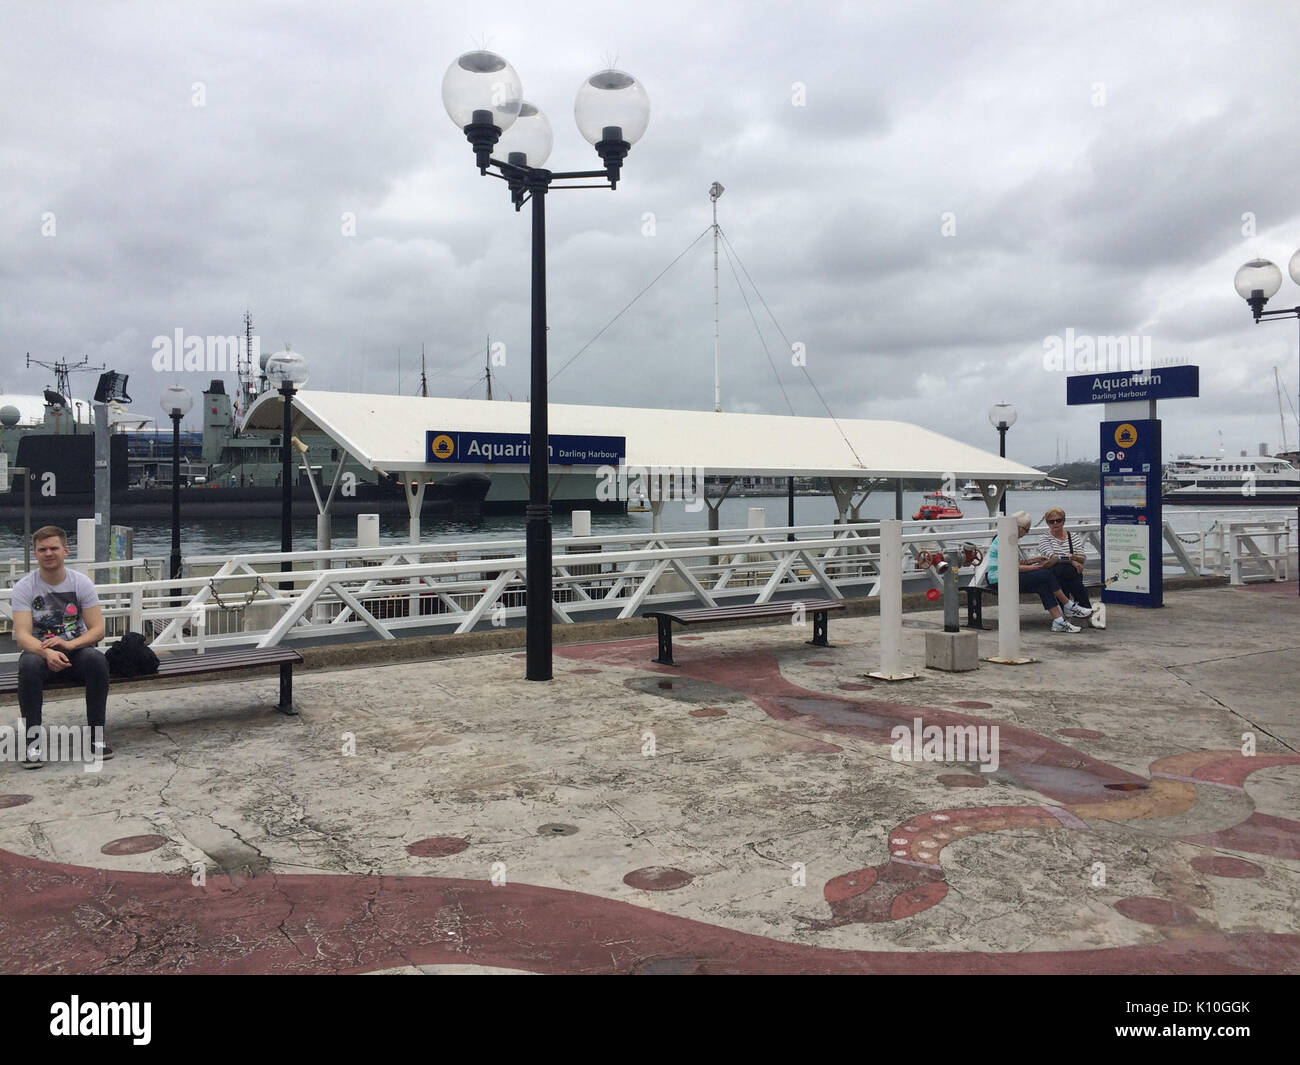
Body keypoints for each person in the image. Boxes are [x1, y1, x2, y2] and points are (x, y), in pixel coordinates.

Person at [11, 526, 111, 767]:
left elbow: (98, 629)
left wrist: (69, 644)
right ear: (35, 554)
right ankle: (32, 744)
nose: (48, 553)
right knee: (28, 666)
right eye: (42, 549)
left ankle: (96, 738)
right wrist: (46, 651)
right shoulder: (25, 587)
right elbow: (23, 636)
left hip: (74, 650)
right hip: (40, 652)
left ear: (65, 550)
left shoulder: (81, 583)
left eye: (54, 548)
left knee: (97, 661)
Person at [988, 511, 1092, 633]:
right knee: (1045, 574)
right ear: (1018, 527)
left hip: (1008, 576)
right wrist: (1039, 567)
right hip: (1000, 579)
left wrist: (1035, 560)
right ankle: (1068, 605)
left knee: (1043, 584)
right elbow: (1015, 568)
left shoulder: (1009, 538)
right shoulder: (1006, 540)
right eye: (1026, 530)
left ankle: (1058, 621)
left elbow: (1017, 563)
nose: (1026, 533)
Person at [1036, 506, 1103, 627]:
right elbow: (1053, 558)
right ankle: (1087, 612)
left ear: (1063, 521)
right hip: (1056, 573)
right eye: (1052, 521)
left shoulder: (1072, 537)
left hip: (1069, 574)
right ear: (1047, 523)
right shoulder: (1045, 538)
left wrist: (1072, 559)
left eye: (1059, 520)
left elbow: (1082, 558)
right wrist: (1072, 560)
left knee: (1070, 578)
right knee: (1067, 576)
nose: (1055, 523)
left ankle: (1069, 610)